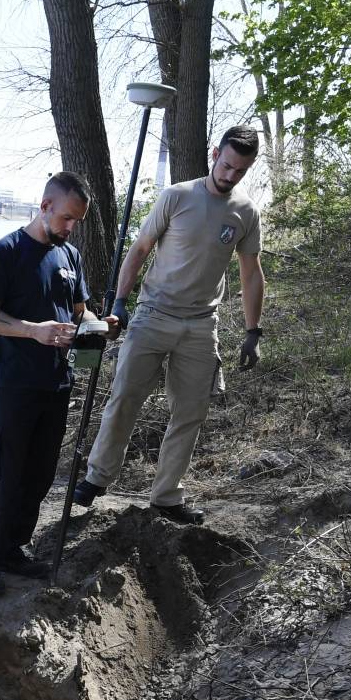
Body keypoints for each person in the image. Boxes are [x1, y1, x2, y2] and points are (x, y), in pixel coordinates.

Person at [73, 125, 266, 524]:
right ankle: (97, 477)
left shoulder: (245, 213)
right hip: (153, 315)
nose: (230, 176)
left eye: (240, 171)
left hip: (200, 326)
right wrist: (121, 303)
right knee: (124, 397)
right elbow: (140, 249)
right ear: (215, 154)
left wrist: (253, 332)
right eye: (227, 165)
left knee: (190, 413)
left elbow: (251, 273)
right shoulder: (177, 196)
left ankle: (166, 497)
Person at [0, 172, 98, 596]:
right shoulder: (5, 252)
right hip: (16, 381)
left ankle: (14, 550)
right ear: (44, 207)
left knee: (40, 474)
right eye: (65, 218)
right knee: (7, 472)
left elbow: (80, 315)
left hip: (58, 382)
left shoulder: (71, 257)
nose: (69, 227)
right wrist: (33, 331)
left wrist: (99, 331)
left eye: (76, 221)